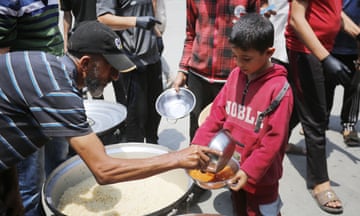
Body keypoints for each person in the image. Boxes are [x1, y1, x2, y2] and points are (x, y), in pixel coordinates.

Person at [0, 20, 220, 216]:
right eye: (111, 68)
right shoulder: (58, 91)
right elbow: (104, 171)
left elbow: (8, 134)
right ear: (85, 64)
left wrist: (11, 198)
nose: (115, 77)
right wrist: (177, 158)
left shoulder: (51, 70)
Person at [192, 13, 293, 216]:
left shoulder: (280, 90)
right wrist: (197, 146)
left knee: (262, 212)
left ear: (269, 52)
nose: (239, 63)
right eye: (235, 56)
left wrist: (249, 171)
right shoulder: (235, 76)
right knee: (239, 209)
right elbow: (216, 115)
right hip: (231, 166)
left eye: (246, 58)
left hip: (261, 178)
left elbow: (274, 140)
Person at [285, 0, 360, 214]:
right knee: (316, 117)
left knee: (303, 104)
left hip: (323, 47)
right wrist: (325, 58)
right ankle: (319, 183)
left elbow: (334, 11)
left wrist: (356, 32)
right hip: (305, 49)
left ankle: (274, 142)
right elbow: (296, 18)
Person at [0, 1, 69, 215]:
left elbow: (51, 38)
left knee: (58, 166)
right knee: (29, 183)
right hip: (27, 102)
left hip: (54, 92)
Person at [173, 0, 269, 141]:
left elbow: (257, 37)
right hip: (198, 78)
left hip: (233, 79)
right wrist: (183, 69)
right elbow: (190, 34)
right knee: (197, 135)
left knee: (228, 138)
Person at [96, 0, 164, 144]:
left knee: (155, 111)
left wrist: (157, 34)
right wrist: (136, 21)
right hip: (131, 61)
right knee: (136, 116)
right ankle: (136, 156)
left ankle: (154, 148)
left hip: (152, 57)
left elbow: (149, 9)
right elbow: (103, 19)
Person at [326, 0, 360, 147]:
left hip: (354, 49)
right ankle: (321, 120)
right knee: (325, 89)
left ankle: (348, 125)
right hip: (329, 47)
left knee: (354, 89)